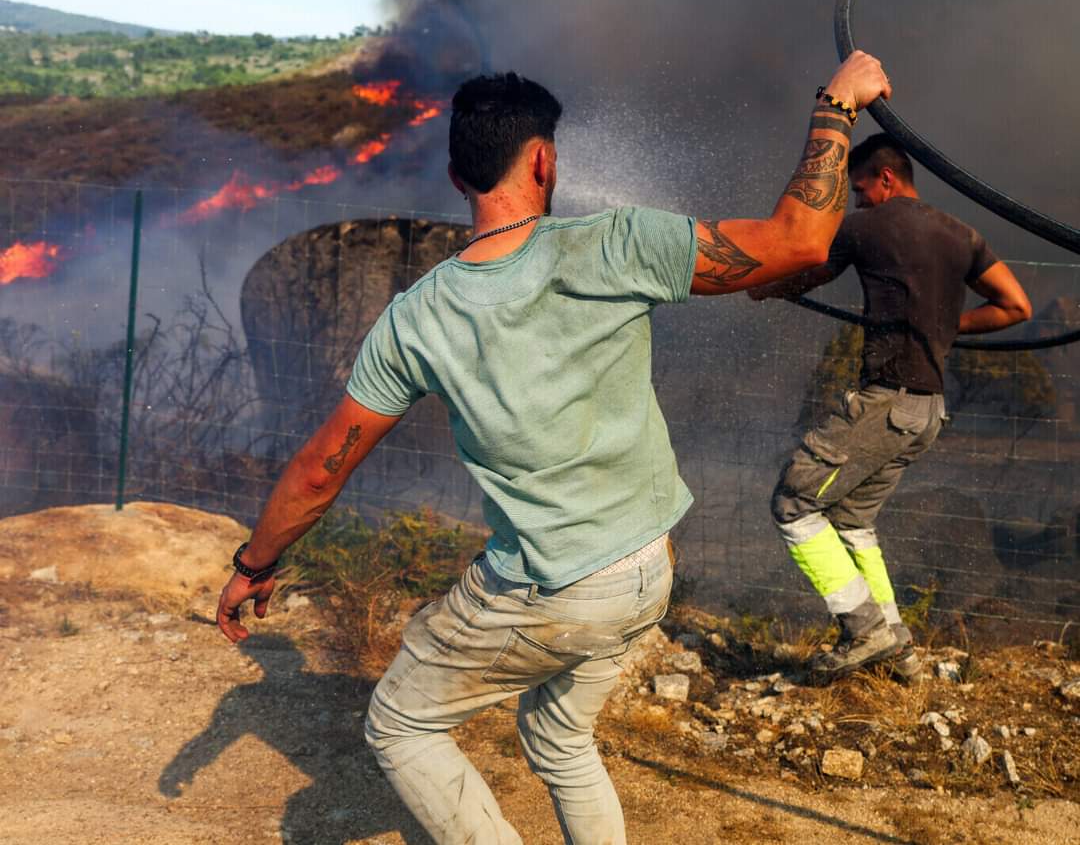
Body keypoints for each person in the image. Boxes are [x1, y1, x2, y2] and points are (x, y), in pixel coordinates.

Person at [216, 51, 891, 845]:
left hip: (554, 586)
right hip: (646, 567)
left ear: (457, 177)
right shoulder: (614, 244)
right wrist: (838, 106)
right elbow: (798, 241)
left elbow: (319, 474)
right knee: (559, 737)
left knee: (400, 725)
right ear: (543, 159)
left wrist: (253, 566)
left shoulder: (414, 319)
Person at [750, 132, 1032, 684]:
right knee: (853, 520)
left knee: (793, 502)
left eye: (859, 190)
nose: (856, 202)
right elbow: (1016, 305)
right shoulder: (963, 234)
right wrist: (948, 330)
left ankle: (864, 629)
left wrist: (765, 286)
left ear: (885, 179)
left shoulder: (865, 228)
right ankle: (898, 648)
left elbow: (807, 263)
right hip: (926, 413)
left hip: (887, 402)